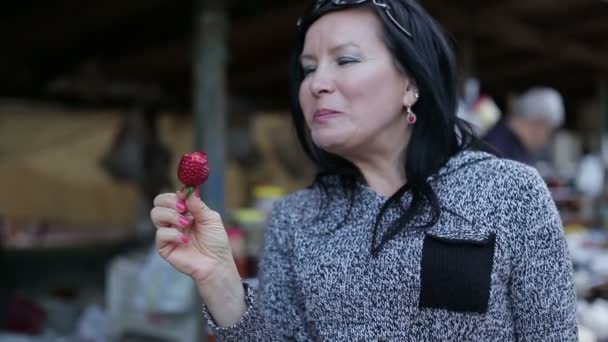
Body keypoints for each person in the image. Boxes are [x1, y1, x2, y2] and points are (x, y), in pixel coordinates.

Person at [151, 0, 577, 340]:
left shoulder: (508, 192)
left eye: (346, 60)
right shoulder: (295, 219)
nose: (317, 83)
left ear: (411, 83)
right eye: (309, 68)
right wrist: (220, 279)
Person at [483, 87, 565, 165]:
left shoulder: (500, 138)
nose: (545, 140)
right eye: (549, 132)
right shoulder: (503, 152)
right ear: (539, 124)